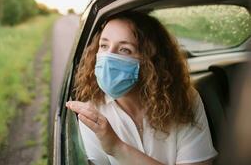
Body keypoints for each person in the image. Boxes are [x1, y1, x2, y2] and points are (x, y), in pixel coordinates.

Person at [66, 11, 218, 165]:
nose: (108, 57)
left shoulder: (185, 99)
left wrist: (117, 148)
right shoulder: (93, 114)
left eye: (124, 50)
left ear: (150, 61)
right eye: (104, 45)